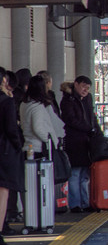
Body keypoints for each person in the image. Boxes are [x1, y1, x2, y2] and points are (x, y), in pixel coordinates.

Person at [21, 75, 67, 213]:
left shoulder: (24, 104)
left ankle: (31, 212)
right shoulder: (38, 107)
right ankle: (40, 213)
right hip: (40, 149)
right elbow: (39, 128)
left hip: (28, 146)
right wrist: (49, 140)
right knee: (41, 184)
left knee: (29, 184)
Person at [60, 75, 100, 213]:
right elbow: (70, 120)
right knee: (75, 173)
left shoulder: (87, 99)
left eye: (88, 88)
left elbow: (92, 117)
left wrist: (97, 132)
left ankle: (85, 202)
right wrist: (89, 129)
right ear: (76, 84)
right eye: (83, 86)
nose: (85, 90)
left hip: (87, 141)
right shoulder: (68, 100)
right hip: (74, 141)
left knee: (85, 175)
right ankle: (75, 204)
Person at [0, 69, 23, 245]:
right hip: (4, 152)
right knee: (2, 192)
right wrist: (18, 145)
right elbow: (11, 130)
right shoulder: (6, 102)